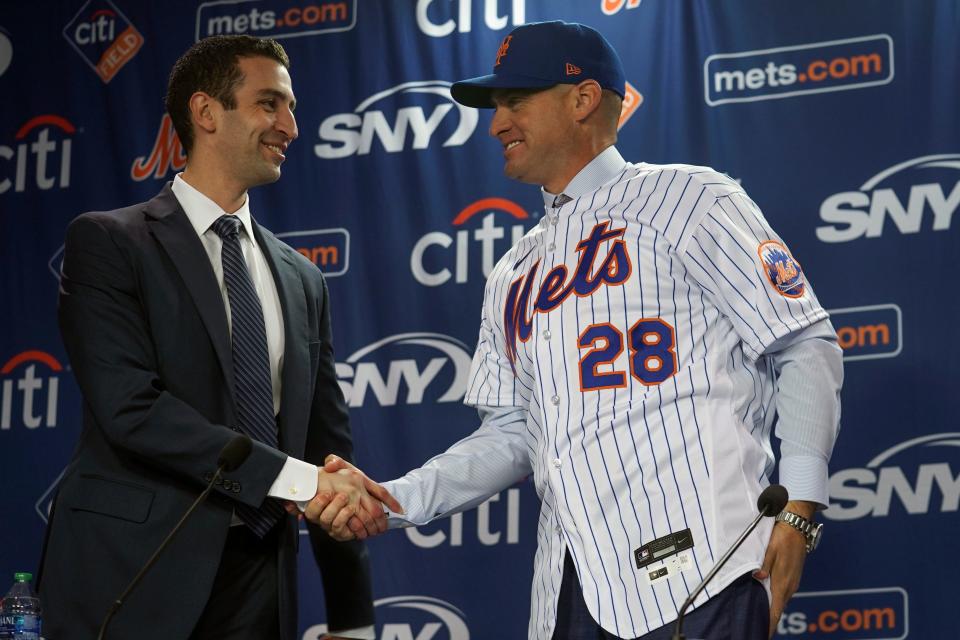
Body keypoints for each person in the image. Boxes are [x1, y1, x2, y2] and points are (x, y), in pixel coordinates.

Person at [321, 20, 843, 640]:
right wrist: (396, 498)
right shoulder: (513, 270)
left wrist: (801, 507)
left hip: (703, 570)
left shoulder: (691, 200)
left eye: (515, 101)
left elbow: (804, 342)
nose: (496, 123)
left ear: (582, 99)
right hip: (568, 594)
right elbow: (513, 433)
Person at [36, 35, 398, 640]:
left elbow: (325, 448)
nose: (291, 125)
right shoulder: (110, 243)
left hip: (261, 583)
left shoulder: (304, 279)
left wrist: (352, 617)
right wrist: (301, 482)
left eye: (292, 108)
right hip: (131, 578)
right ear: (205, 113)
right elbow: (131, 409)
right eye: (270, 104)